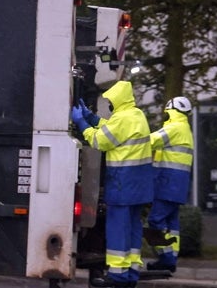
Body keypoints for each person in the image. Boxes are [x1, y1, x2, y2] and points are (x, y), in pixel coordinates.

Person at [72, 81, 153, 288]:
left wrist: (82, 124)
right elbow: (112, 130)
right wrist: (91, 118)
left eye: (110, 100)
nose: (109, 104)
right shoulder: (136, 115)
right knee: (134, 229)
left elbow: (100, 141)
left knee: (118, 229)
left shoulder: (122, 119)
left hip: (122, 185)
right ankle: (131, 272)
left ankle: (117, 275)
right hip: (139, 186)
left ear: (118, 100)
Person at [146, 96, 194, 273]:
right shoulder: (185, 129)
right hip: (177, 185)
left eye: (167, 111)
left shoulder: (174, 128)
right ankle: (171, 259)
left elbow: (150, 141)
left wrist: (128, 141)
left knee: (155, 220)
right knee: (172, 223)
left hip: (167, 184)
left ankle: (166, 258)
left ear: (171, 110)